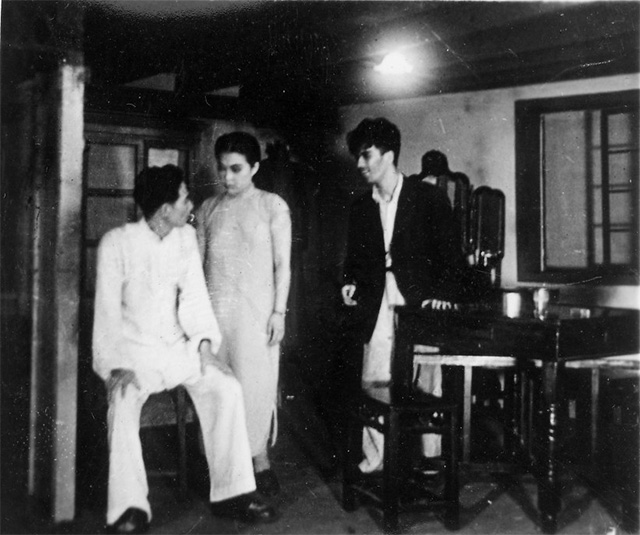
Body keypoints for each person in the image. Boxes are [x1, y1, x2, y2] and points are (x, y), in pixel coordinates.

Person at [93, 165, 277, 534]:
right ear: (164, 209)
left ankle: (234, 493)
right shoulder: (116, 243)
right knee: (122, 404)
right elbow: (106, 312)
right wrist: (114, 366)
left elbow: (195, 298)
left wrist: (205, 347)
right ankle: (130, 508)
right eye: (184, 199)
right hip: (134, 355)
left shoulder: (186, 237)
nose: (190, 205)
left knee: (227, 388)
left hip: (179, 349)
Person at [341, 118, 464, 473]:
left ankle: (430, 457)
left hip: (420, 300)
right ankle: (376, 458)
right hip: (376, 301)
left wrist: (441, 295)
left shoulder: (428, 198)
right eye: (357, 156)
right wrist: (350, 282)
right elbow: (354, 261)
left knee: (427, 377)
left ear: (389, 155)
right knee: (374, 376)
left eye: (366, 155)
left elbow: (451, 258)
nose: (360, 163)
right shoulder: (361, 207)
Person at [196, 132, 292, 498]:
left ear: (254, 167)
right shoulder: (207, 209)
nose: (227, 177)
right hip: (216, 316)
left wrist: (279, 312)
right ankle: (220, 468)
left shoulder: (272, 206)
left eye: (236, 169)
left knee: (255, 388)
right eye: (222, 169)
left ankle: (259, 461)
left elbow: (282, 265)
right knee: (219, 389)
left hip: (257, 314)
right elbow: (196, 269)